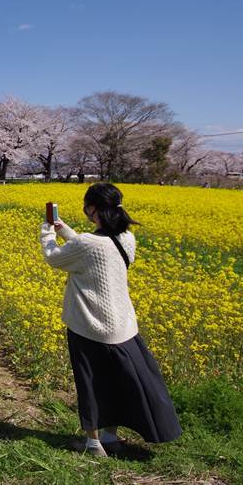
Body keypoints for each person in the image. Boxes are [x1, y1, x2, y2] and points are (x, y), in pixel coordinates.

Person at [39, 182, 181, 457]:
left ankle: (93, 445)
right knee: (115, 381)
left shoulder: (88, 244)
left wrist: (48, 232)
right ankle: (110, 436)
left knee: (91, 383)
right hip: (123, 325)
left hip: (90, 325)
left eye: (86, 207)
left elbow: (54, 258)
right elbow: (95, 250)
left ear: (93, 210)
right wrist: (66, 231)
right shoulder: (127, 238)